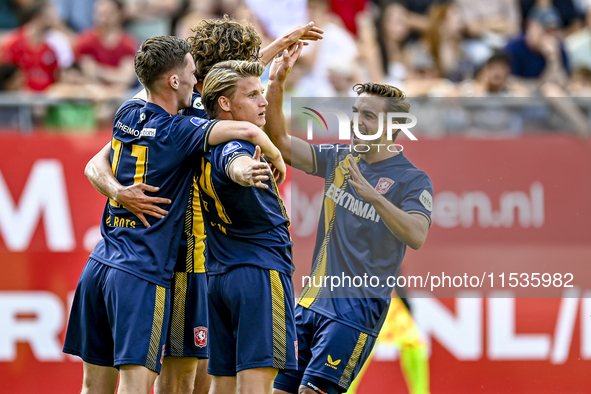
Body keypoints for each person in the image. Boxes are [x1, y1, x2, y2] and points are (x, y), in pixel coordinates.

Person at [83, 19, 322, 394]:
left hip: (181, 256)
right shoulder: (188, 119)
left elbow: (96, 161)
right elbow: (96, 164)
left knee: (193, 377)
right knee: (181, 378)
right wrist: (118, 191)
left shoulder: (152, 111)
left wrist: (277, 52)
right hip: (182, 256)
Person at [265, 48, 433, 394]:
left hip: (354, 313)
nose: (356, 121)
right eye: (355, 112)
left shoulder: (412, 180)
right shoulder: (339, 157)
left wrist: (374, 197)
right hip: (309, 304)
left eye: (368, 116)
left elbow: (417, 235)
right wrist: (276, 82)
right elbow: (279, 143)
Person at [200, 59, 298, 394]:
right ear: (225, 104)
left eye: (261, 93)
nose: (262, 101)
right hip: (258, 274)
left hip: (220, 276)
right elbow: (236, 161)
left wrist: (276, 83)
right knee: (257, 385)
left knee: (223, 385)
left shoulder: (198, 139)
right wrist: (245, 171)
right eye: (252, 94)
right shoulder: (236, 146)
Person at [75, 0, 138, 91]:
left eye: (108, 13)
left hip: (117, 94)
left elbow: (126, 79)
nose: (103, 18)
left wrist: (98, 71)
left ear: (119, 14)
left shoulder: (129, 44)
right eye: (100, 13)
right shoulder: (84, 41)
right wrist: (115, 75)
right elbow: (87, 75)